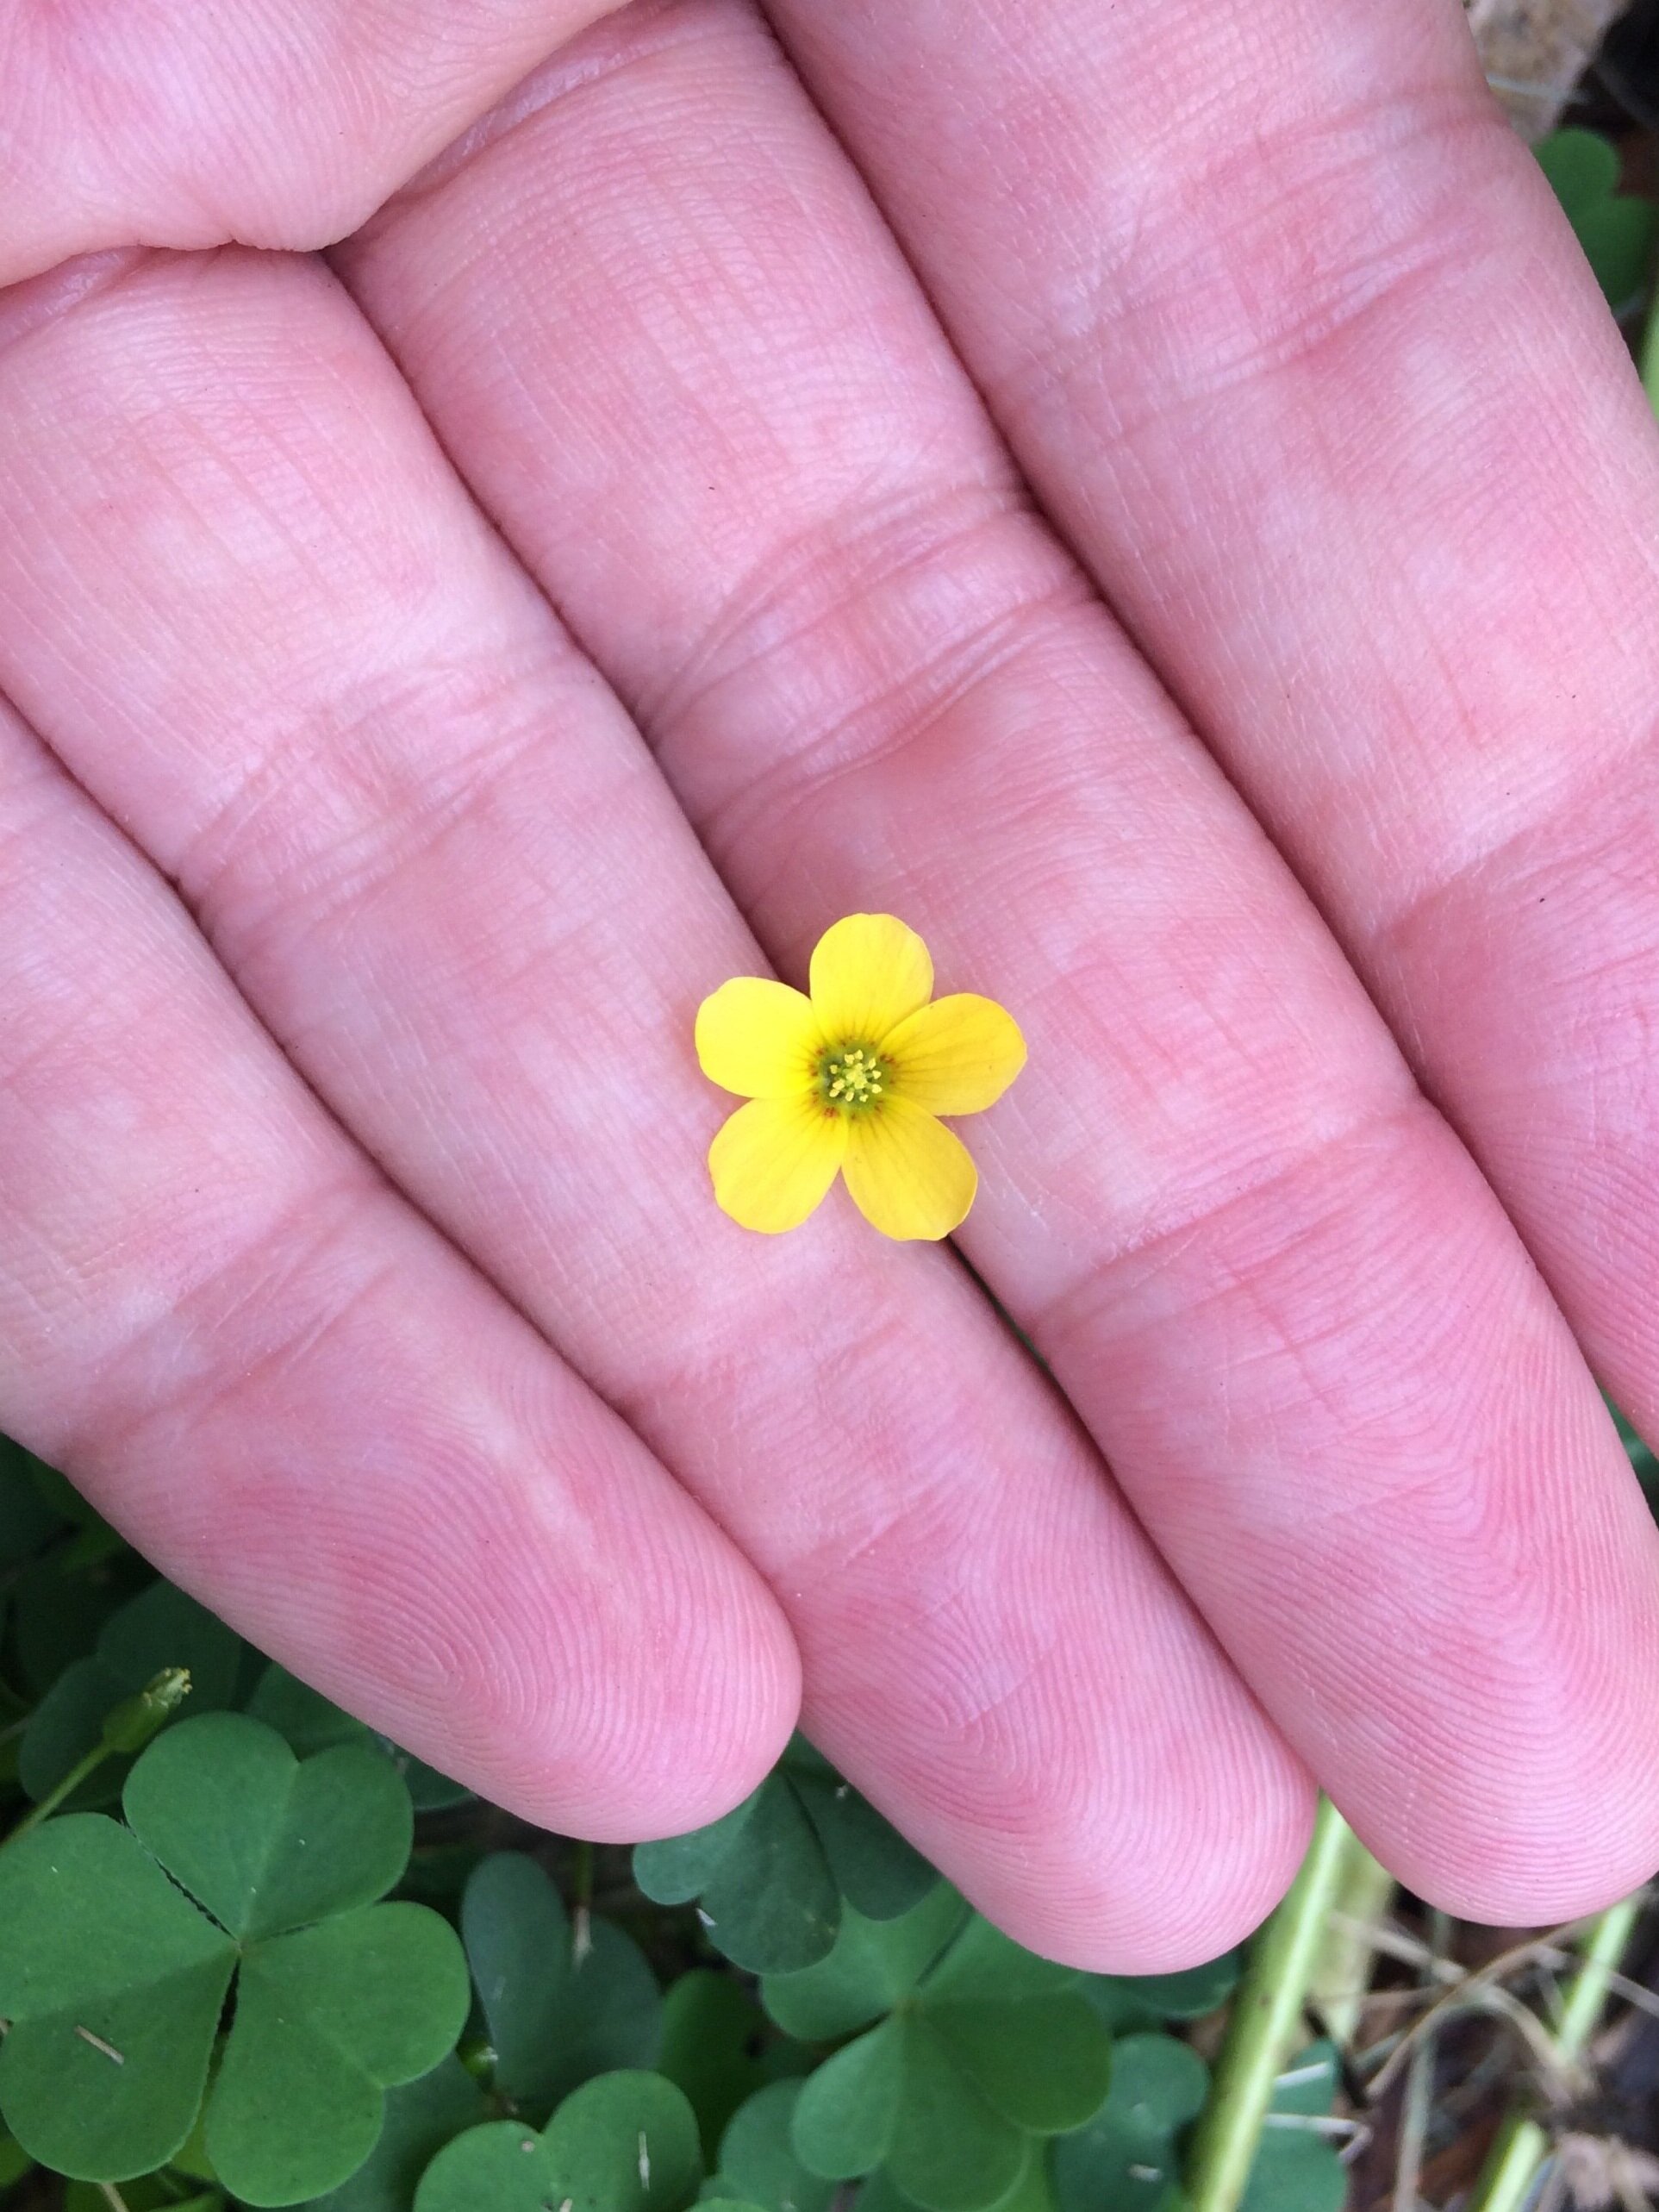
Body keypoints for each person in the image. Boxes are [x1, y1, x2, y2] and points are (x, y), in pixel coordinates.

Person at [2, 0, 1656, 1973]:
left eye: (867, 1078)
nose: (866, 1082)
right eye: (858, 1078)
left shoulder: (869, 1092)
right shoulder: (825, 1059)